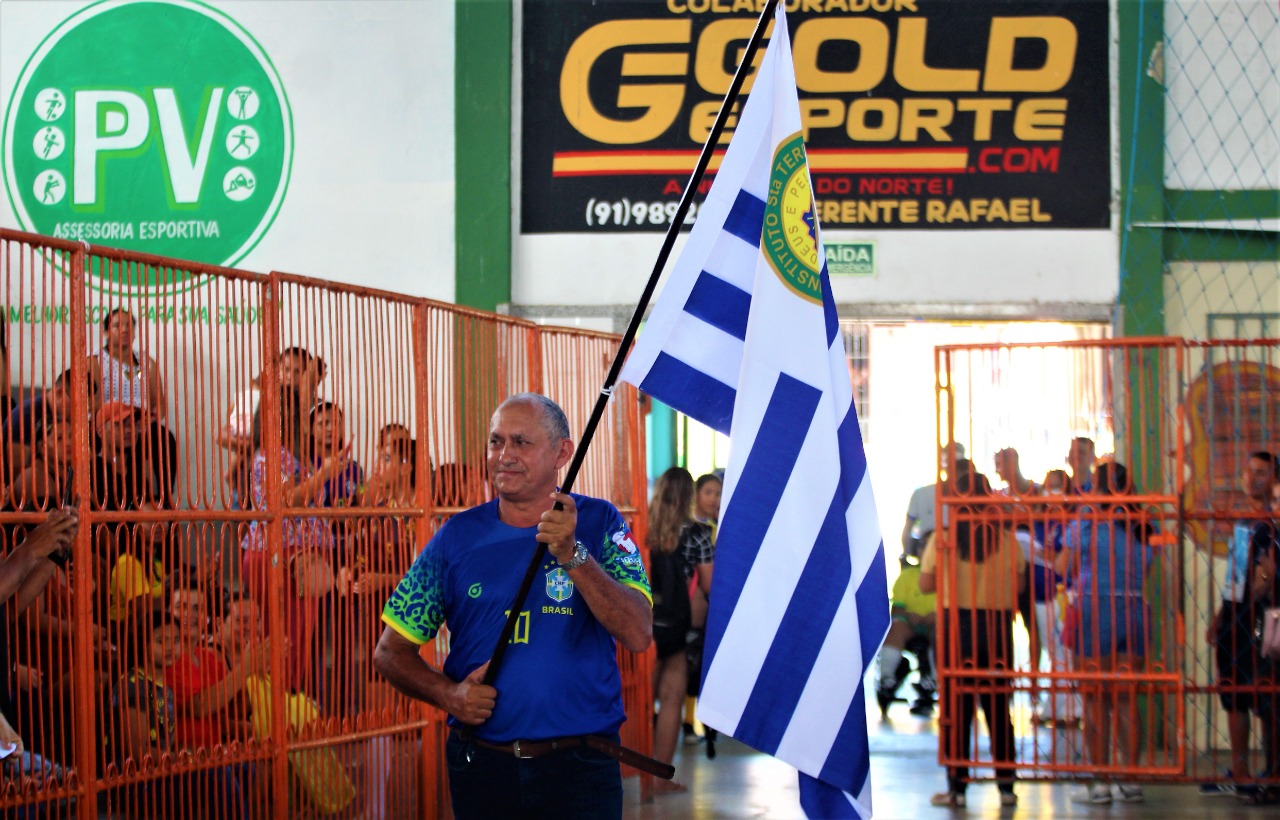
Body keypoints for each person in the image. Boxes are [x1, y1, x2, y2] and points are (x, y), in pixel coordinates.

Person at [374, 393, 652, 819]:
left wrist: (571, 553)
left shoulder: (601, 522)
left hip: (581, 770)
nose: (504, 455)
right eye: (495, 441)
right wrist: (449, 695)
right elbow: (390, 652)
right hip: (484, 767)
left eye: (521, 442)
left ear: (562, 453)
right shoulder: (456, 538)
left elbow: (637, 632)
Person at [920, 466, 1023, 808]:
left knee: (956, 709)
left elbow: (925, 583)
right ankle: (1006, 787)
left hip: (955, 627)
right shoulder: (1006, 538)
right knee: (997, 707)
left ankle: (957, 789)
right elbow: (1019, 585)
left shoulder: (945, 538)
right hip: (996, 628)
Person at [1056, 461, 1151, 804]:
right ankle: (1132, 779)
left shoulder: (1088, 517)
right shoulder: (1142, 521)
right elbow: (1148, 566)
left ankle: (1099, 783)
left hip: (1096, 608)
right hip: (1136, 609)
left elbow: (1063, 565)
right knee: (1126, 698)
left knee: (1095, 698)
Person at [1202, 451, 1280, 800]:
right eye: (1249, 471)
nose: (1253, 478)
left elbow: (1266, 576)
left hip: (1264, 616)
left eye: (1261, 473)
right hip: (1234, 614)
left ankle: (1272, 771)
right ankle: (1240, 769)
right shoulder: (1241, 520)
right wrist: (1221, 614)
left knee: (1266, 695)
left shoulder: (1272, 521)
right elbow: (1234, 573)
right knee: (1233, 693)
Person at [646, 467, 714, 791]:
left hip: (641, 621)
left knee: (640, 698)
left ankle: (628, 770)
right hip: (675, 624)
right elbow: (710, 582)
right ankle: (659, 778)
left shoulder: (641, 527)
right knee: (672, 697)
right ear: (690, 496)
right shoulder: (697, 533)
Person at [685, 472, 721, 752]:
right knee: (688, 662)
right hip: (693, 603)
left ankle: (695, 719)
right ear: (696, 494)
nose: (714, 499)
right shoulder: (693, 529)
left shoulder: (716, 527)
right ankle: (688, 720)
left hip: (707, 602)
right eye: (708, 492)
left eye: (718, 494)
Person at [877, 552, 937, 717]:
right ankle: (887, 678)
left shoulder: (949, 575)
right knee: (896, 627)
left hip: (936, 626)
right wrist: (908, 616)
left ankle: (934, 678)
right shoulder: (907, 576)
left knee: (941, 631)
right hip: (910, 625)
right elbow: (897, 608)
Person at [903, 442, 965, 561]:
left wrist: (907, 555)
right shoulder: (921, 494)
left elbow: (907, 530)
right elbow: (908, 530)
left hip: (933, 557)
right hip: (957, 557)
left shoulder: (921, 494)